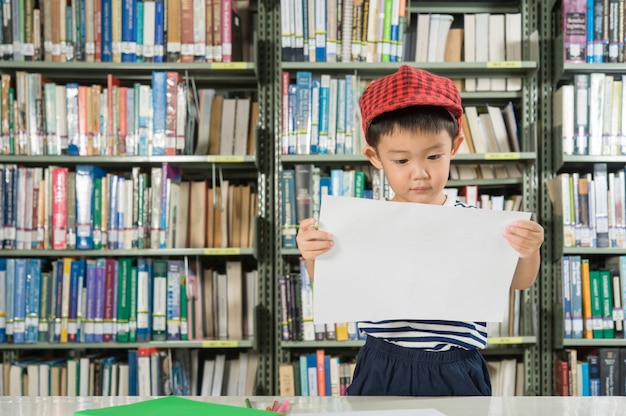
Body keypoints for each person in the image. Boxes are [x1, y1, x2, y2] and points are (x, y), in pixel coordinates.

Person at [295, 65, 544, 396]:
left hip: (455, 365)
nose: (420, 173)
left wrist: (529, 250)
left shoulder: (477, 224)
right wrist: (313, 254)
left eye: (434, 156)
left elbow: (520, 281)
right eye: (401, 161)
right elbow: (337, 286)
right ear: (375, 156)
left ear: (455, 147)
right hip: (382, 362)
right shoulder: (362, 224)